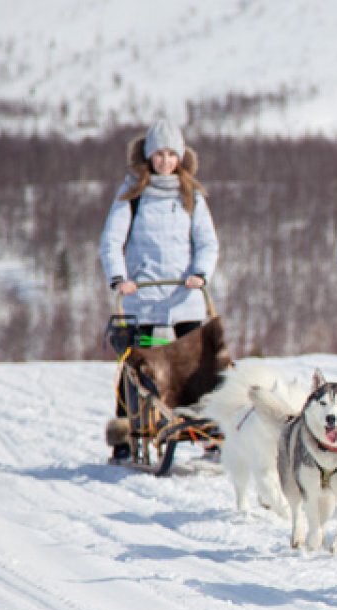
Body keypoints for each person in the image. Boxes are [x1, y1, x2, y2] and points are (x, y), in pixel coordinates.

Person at [100, 119, 219, 462]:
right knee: (137, 367)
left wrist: (200, 273)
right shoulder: (132, 196)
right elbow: (111, 243)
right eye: (159, 154)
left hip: (185, 297)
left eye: (171, 154)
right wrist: (120, 278)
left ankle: (205, 435)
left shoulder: (191, 195)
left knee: (196, 368)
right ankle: (124, 438)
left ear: (181, 157)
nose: (165, 161)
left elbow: (207, 243)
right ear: (147, 156)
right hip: (145, 297)